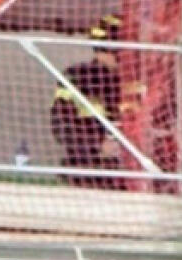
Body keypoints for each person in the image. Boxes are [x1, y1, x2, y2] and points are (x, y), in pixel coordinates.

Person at [49, 14, 145, 191]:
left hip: (137, 176)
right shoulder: (77, 78)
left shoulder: (141, 80)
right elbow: (60, 127)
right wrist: (97, 144)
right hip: (88, 174)